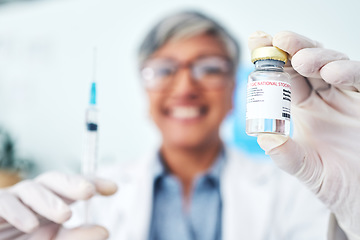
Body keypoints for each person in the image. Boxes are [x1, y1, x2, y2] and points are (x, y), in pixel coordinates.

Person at [0, 10, 359, 240]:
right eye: (165, 70)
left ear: (235, 87)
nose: (186, 87)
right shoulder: (88, 196)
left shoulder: (296, 193)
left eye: (209, 68)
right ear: (144, 91)